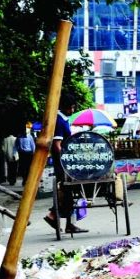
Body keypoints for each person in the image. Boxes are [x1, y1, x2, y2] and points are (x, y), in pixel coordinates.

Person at [44, 93, 86, 234]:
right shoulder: (59, 121)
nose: (73, 110)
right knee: (66, 191)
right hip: (63, 164)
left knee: (69, 193)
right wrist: (66, 159)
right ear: (66, 107)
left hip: (66, 162)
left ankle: (69, 223)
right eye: (72, 107)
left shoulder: (63, 119)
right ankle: (52, 214)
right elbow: (57, 145)